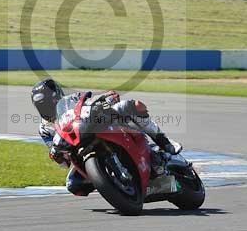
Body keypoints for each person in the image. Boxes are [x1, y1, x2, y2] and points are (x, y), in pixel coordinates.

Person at [30, 77, 180, 197]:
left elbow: (89, 102)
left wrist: (106, 98)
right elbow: (62, 162)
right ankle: (111, 183)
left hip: (95, 126)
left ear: (57, 96)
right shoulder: (44, 129)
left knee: (134, 105)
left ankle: (164, 142)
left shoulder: (71, 100)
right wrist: (56, 156)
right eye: (41, 106)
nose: (46, 108)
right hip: (78, 151)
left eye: (48, 103)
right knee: (73, 185)